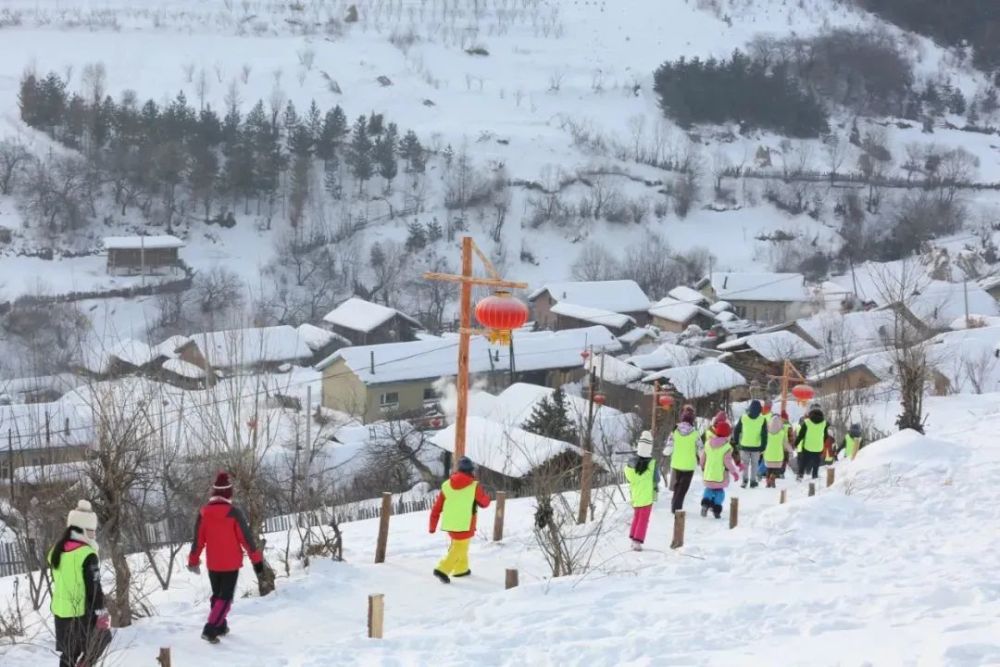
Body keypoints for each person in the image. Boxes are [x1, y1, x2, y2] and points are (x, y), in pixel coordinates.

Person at [188, 472, 264, 644]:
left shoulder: (204, 513)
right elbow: (247, 539)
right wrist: (257, 561)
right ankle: (210, 629)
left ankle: (220, 625)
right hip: (230, 564)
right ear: (229, 493)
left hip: (213, 564)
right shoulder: (234, 513)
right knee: (226, 598)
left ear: (214, 493)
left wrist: (193, 560)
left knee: (217, 595)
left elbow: (198, 541)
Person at [49, 500, 112, 667]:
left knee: (68, 654)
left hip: (61, 612)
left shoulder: (58, 550)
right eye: (92, 532)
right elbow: (94, 589)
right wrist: (102, 614)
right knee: (104, 637)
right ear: (82, 530)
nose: (94, 536)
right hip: (80, 613)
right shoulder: (86, 554)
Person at [429, 456, 491, 583]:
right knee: (460, 547)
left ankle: (461, 569)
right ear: (471, 471)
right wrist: (486, 496)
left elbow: (437, 507)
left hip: (451, 523)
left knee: (461, 545)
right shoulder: (474, 486)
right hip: (466, 523)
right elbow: (484, 503)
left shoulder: (446, 485)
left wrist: (432, 526)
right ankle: (442, 569)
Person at [625, 431, 661, 550]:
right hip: (647, 497)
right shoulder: (652, 463)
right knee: (643, 519)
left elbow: (629, 477)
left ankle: (633, 537)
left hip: (635, 495)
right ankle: (637, 541)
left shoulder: (630, 464)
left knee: (637, 516)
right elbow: (657, 479)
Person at [699, 418, 741, 519]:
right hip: (720, 475)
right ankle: (716, 509)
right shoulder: (727, 447)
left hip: (708, 473)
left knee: (709, 489)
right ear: (727, 434)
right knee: (719, 492)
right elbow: (727, 462)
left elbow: (702, 457)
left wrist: (702, 466)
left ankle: (705, 503)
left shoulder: (708, 443)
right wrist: (734, 472)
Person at [665, 406, 701, 514]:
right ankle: (676, 509)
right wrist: (703, 460)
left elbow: (669, 447)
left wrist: (665, 453)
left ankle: (674, 505)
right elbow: (701, 449)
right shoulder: (695, 433)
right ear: (692, 419)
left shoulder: (675, 431)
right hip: (689, 465)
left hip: (676, 464)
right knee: (683, 488)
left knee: (677, 486)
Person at [733, 399, 767, 488]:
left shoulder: (743, 418)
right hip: (756, 446)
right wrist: (763, 446)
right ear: (760, 409)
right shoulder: (762, 419)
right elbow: (764, 435)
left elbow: (736, 430)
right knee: (755, 464)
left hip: (744, 445)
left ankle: (744, 480)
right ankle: (753, 481)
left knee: (745, 464)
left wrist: (736, 441)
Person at [795, 403, 831, 481]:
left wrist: (795, 444)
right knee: (816, 462)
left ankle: (800, 475)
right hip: (818, 447)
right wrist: (821, 442)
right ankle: (815, 475)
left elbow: (800, 435)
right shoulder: (824, 423)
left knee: (804, 461)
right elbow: (826, 436)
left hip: (808, 447)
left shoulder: (807, 422)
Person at [763, 413, 795, 488]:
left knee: (768, 469)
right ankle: (773, 477)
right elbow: (785, 443)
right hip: (778, 454)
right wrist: (790, 450)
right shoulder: (782, 433)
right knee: (776, 469)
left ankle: (768, 482)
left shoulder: (767, 432)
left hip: (768, 454)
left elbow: (764, 442)